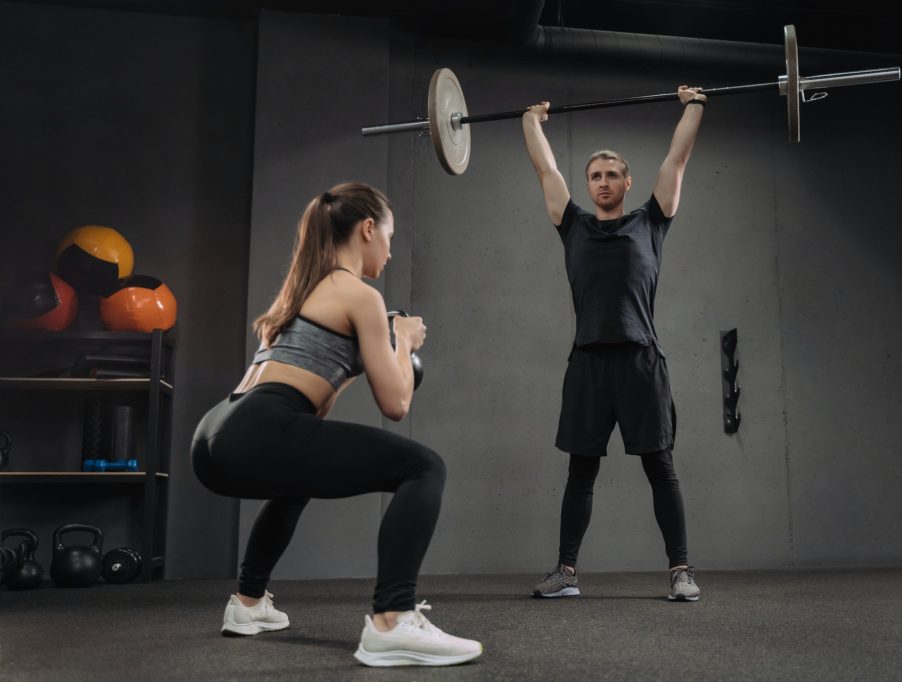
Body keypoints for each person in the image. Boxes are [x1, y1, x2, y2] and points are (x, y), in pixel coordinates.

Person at [191, 182, 483, 667]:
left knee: (298, 478)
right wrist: (403, 342)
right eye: (389, 235)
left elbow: (315, 403)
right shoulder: (359, 295)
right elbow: (395, 404)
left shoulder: (300, 292)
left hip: (217, 434)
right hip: (259, 426)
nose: (390, 251)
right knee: (423, 466)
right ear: (368, 229)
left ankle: (247, 604)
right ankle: (392, 620)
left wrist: (373, 350)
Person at [522, 86, 706, 602]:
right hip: (588, 363)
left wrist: (695, 105)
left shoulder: (652, 221)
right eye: (594, 176)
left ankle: (680, 572)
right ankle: (565, 572)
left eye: (611, 175)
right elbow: (545, 170)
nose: (602, 182)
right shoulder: (573, 226)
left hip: (640, 360)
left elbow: (678, 157)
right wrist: (532, 119)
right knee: (580, 470)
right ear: (588, 185)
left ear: (628, 181)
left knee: (660, 468)